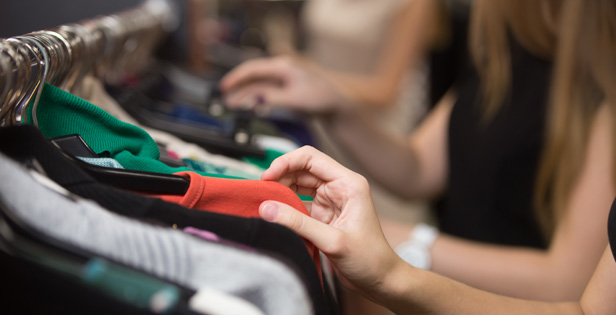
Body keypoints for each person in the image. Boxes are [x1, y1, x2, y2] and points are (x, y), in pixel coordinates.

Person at [221, 0, 616, 303]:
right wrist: (335, 104)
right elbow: (418, 168)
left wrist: (401, 242)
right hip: (446, 295)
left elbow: (566, 281)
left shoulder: (601, 87)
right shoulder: (503, 55)